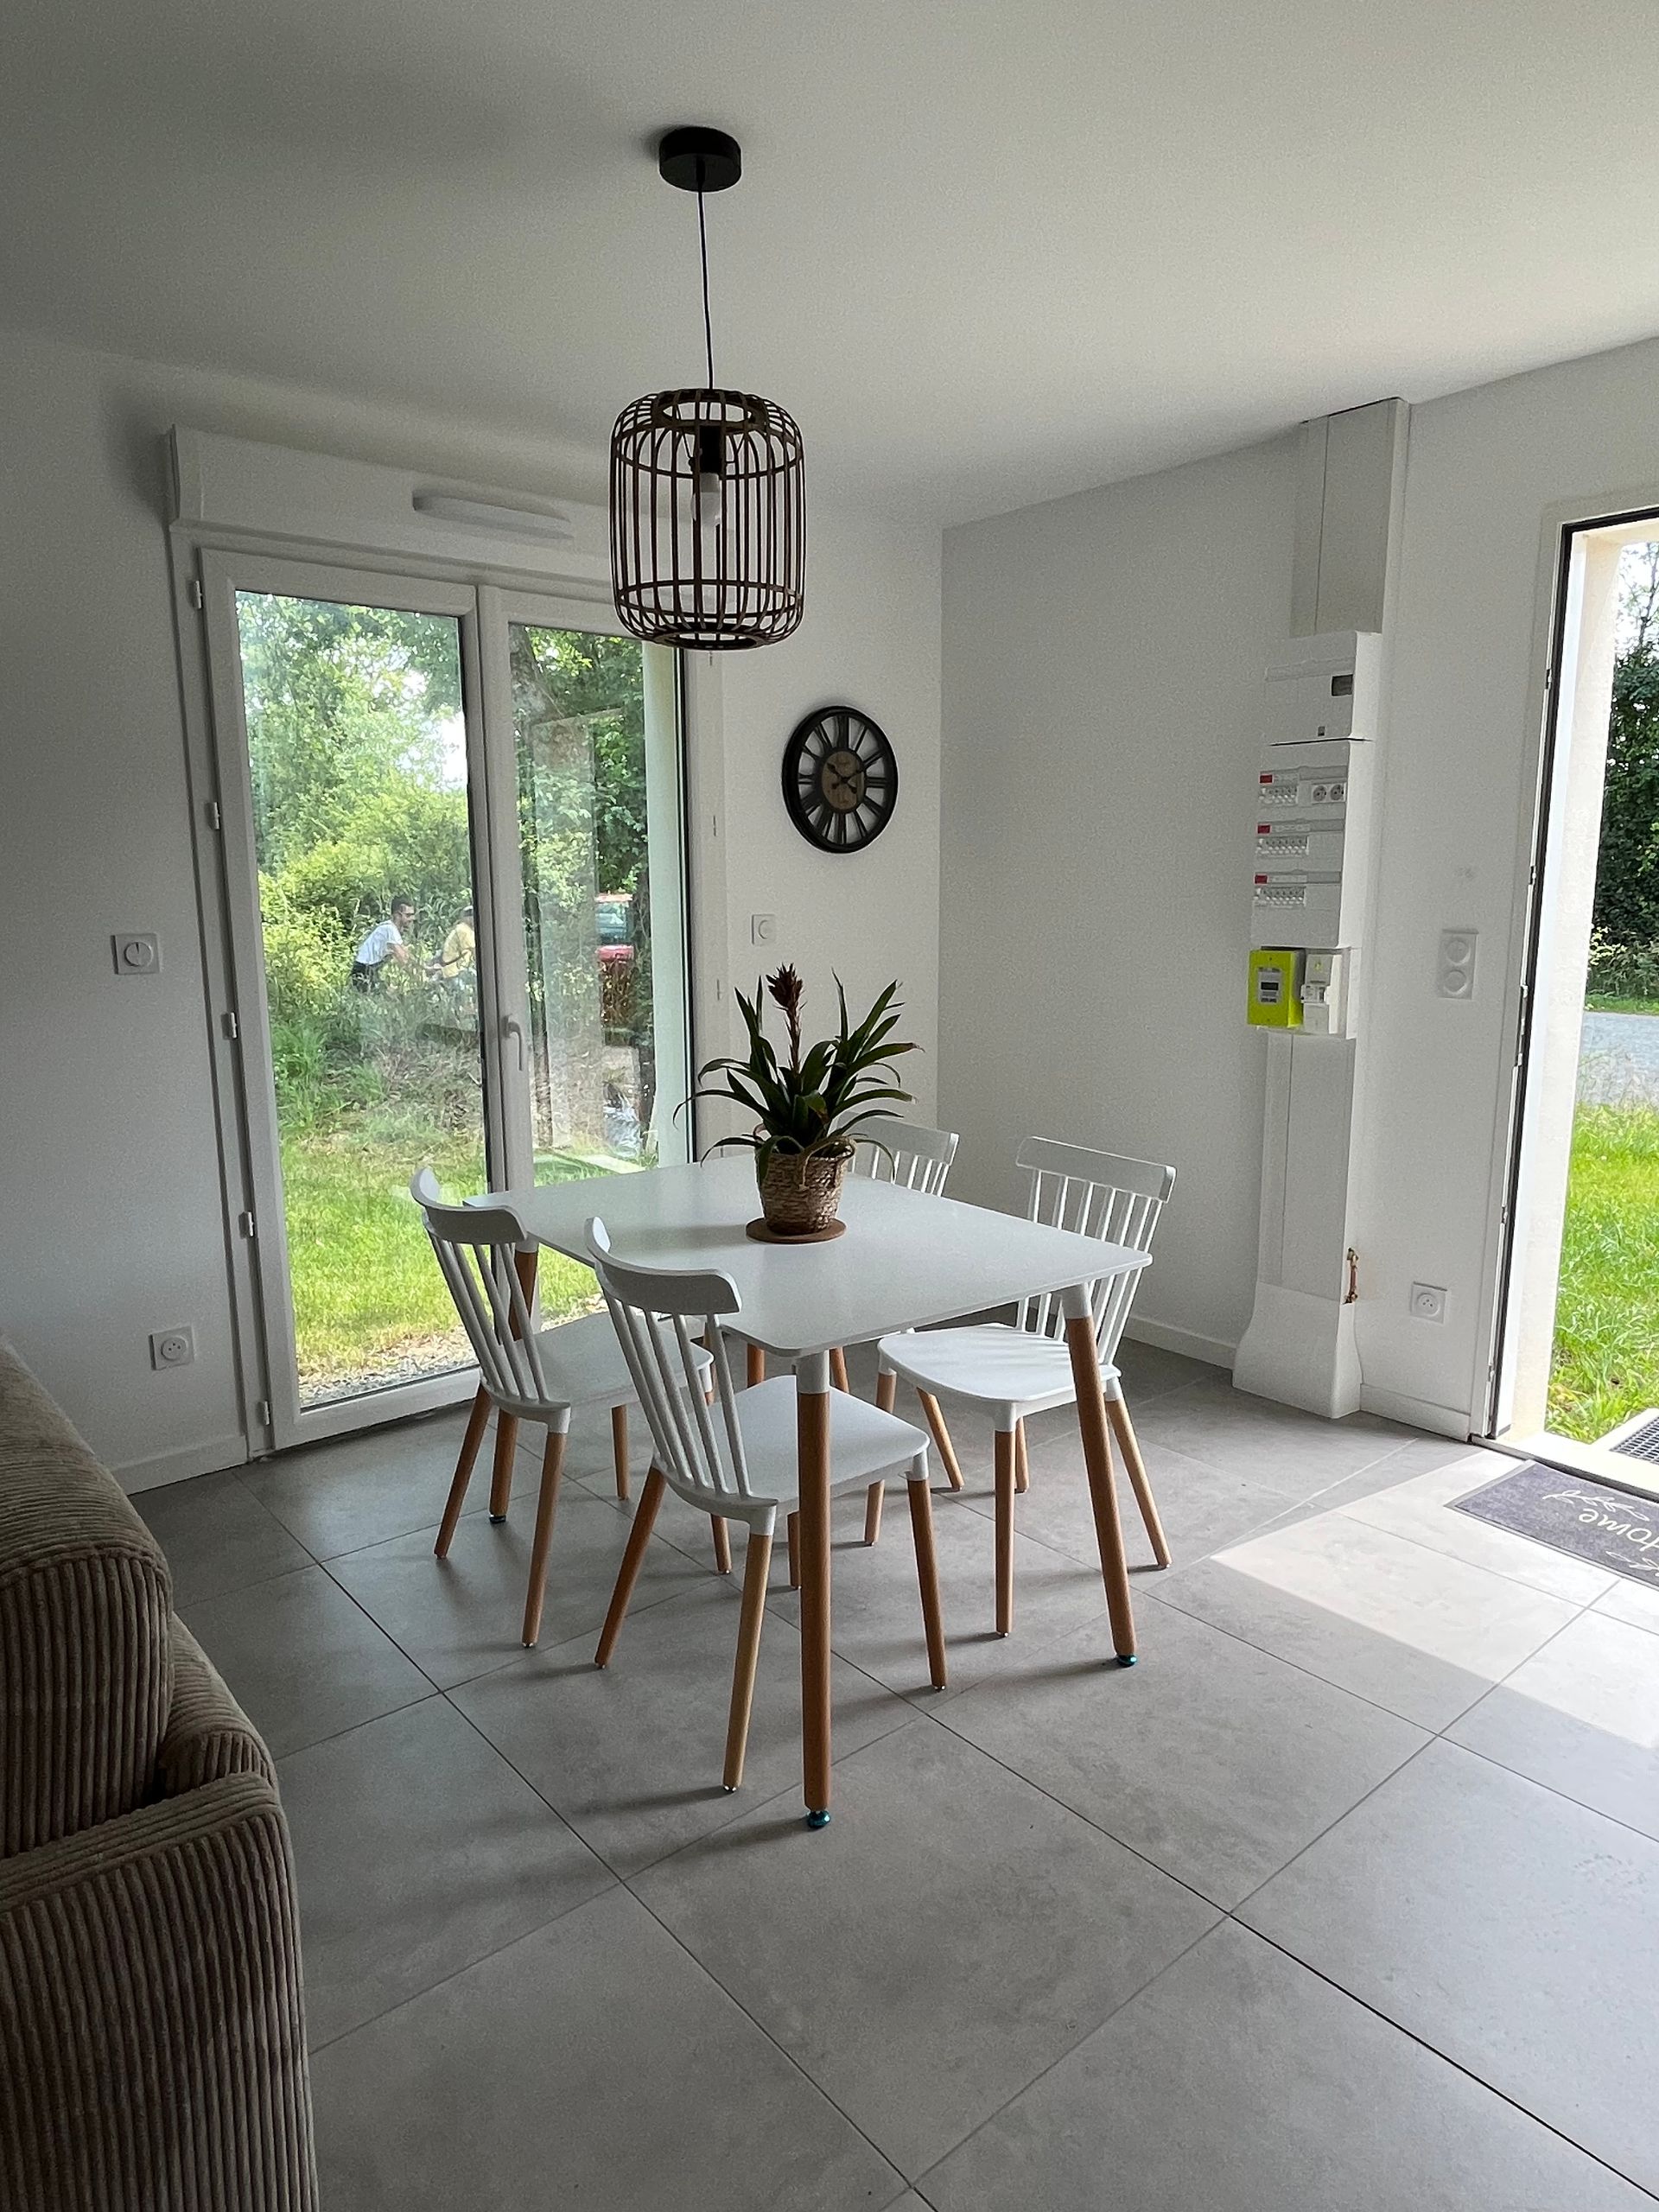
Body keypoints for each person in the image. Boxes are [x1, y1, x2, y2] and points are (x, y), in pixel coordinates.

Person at [351, 899, 416, 990]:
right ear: (397, 915)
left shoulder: (392, 929)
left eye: (412, 915)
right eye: (408, 915)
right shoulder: (389, 929)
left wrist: (426, 967)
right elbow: (403, 959)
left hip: (370, 970)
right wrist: (419, 978)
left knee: (388, 997)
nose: (412, 919)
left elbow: (406, 953)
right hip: (363, 972)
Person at [428, 904, 476, 985]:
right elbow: (474, 951)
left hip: (456, 969)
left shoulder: (465, 929)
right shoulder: (463, 930)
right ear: (466, 918)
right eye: (470, 916)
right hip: (455, 971)